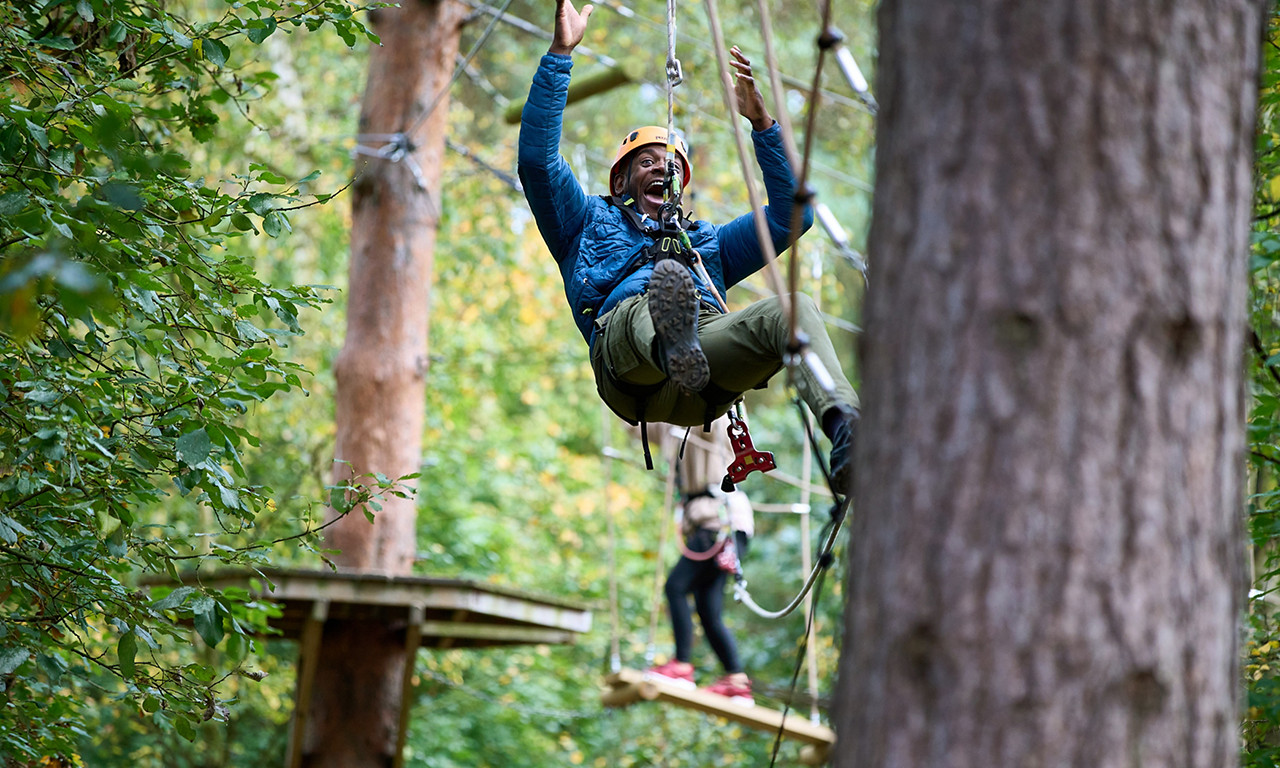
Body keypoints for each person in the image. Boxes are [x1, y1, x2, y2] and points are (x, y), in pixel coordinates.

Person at [518, 0, 859, 494]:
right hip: (628, 366)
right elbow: (537, 163)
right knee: (655, 295)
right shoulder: (585, 221)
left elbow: (794, 214)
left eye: (669, 164)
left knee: (792, 309)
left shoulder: (707, 246)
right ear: (622, 180)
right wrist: (559, 55)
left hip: (702, 384)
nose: (661, 169)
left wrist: (763, 126)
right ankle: (672, 338)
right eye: (646, 162)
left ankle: (846, 427)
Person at [645, 419, 756, 705]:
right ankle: (736, 680)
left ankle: (681, 666)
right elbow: (642, 425)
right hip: (724, 523)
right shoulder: (673, 425)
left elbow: (710, 414)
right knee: (708, 608)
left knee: (676, 586)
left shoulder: (707, 421)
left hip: (719, 520)